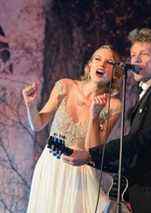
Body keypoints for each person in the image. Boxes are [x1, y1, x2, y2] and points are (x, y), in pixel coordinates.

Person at [63, 28, 151, 213]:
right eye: (133, 54)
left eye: (143, 55)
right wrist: (95, 161)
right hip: (149, 189)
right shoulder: (150, 92)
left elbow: (142, 139)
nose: (135, 60)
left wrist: (91, 154)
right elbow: (137, 149)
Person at [22, 45, 123, 213]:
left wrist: (94, 116)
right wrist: (30, 106)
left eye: (109, 62)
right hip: (50, 166)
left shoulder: (114, 106)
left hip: (80, 173)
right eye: (97, 59)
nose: (102, 64)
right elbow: (38, 124)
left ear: (116, 72)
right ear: (89, 65)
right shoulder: (65, 86)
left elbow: (95, 150)